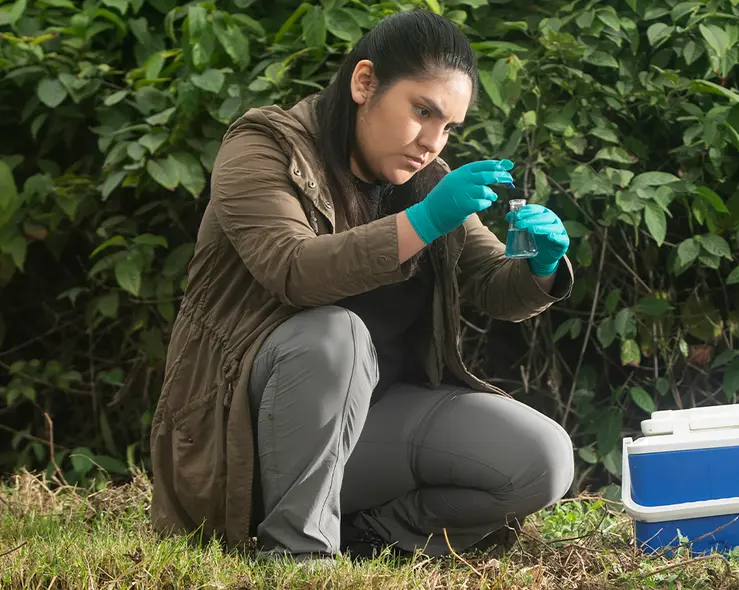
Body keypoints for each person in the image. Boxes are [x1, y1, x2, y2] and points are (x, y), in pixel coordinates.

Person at [148, 9, 577, 564]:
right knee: (336, 335)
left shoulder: (426, 178)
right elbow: (293, 270)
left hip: (372, 430)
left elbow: (494, 284)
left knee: (540, 457)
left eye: (448, 127)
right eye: (422, 111)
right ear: (365, 82)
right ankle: (299, 559)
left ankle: (374, 535)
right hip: (242, 450)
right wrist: (425, 220)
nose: (432, 141)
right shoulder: (261, 148)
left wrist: (542, 266)